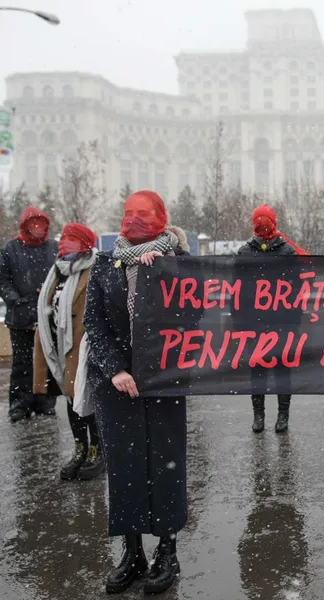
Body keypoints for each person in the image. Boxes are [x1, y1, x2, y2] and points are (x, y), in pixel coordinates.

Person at [84, 190, 191, 595]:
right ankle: (132, 552)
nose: (133, 222)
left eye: (143, 215)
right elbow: (93, 321)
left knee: (165, 463)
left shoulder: (176, 261)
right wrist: (115, 370)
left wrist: (161, 274)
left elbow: (190, 319)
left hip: (162, 379)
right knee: (125, 467)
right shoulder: (105, 262)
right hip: (115, 384)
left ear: (160, 218)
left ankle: (167, 550)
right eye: (127, 214)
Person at [33, 223, 105, 481]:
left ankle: (97, 450)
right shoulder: (57, 271)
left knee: (86, 399)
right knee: (69, 399)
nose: (65, 243)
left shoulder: (96, 268)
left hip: (82, 346)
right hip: (57, 346)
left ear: (85, 243)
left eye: (72, 239)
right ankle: (80, 447)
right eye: (64, 238)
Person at [237, 204, 305, 434]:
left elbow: (296, 289)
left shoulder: (287, 252)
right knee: (257, 369)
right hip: (254, 322)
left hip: (282, 321)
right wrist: (239, 322)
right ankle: (259, 415)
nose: (262, 225)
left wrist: (295, 321)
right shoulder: (244, 252)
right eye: (258, 220)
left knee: (282, 369)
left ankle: (283, 414)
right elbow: (238, 290)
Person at [0, 207, 58, 422]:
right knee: (22, 363)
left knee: (46, 362)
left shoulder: (53, 247)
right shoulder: (11, 248)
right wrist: (15, 299)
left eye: (40, 224)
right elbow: (3, 279)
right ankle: (19, 404)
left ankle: (44, 402)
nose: (37, 228)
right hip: (20, 318)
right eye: (33, 224)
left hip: (47, 316)